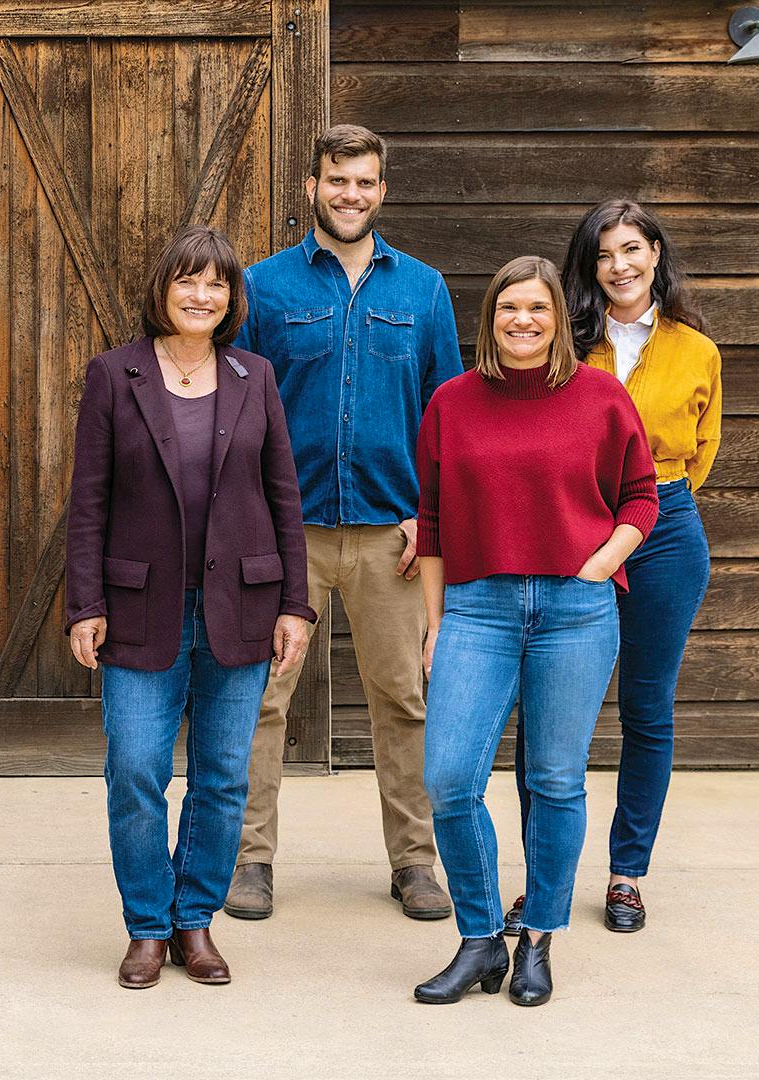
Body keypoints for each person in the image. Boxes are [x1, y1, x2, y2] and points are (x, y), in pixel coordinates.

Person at [222, 125, 464, 923]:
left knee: (403, 702)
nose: (349, 195)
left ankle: (416, 863)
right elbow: (238, 413)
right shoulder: (265, 287)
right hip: (285, 534)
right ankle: (248, 861)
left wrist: (431, 520)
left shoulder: (423, 291)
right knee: (258, 702)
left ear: (382, 190)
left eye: (363, 182)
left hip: (389, 539)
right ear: (312, 186)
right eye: (336, 180)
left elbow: (449, 420)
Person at [65, 225, 316, 989]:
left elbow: (283, 496)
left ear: (233, 298)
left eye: (216, 284)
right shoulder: (115, 375)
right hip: (142, 607)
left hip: (242, 603)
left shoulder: (255, 376)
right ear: (163, 291)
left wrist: (295, 605)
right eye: (187, 282)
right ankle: (147, 923)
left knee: (223, 777)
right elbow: (89, 501)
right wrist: (85, 602)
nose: (201, 295)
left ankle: (193, 921)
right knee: (136, 769)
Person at [413, 256, 659, 1006]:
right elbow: (431, 524)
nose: (523, 321)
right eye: (508, 308)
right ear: (489, 318)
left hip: (574, 612)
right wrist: (435, 626)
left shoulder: (602, 397)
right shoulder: (453, 402)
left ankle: (539, 942)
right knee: (451, 779)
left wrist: (600, 565)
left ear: (559, 318)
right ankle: (482, 938)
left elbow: (641, 498)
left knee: (555, 781)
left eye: (538, 309)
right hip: (477, 610)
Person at [505, 199, 722, 936]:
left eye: (632, 248)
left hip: (663, 530)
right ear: (588, 267)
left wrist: (650, 505)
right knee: (545, 714)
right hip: (571, 528)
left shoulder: (697, 349)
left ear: (657, 254)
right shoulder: (568, 342)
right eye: (603, 254)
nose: (619, 265)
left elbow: (700, 455)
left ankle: (627, 873)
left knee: (647, 709)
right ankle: (544, 879)